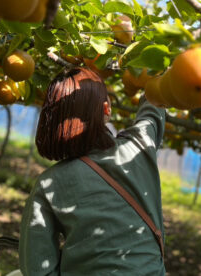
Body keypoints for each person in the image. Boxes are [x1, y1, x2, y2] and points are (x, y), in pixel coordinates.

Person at [19, 67, 166, 276]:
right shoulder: (139, 147)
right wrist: (153, 64)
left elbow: (37, 269)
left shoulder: (49, 184)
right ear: (106, 109)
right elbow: (156, 102)